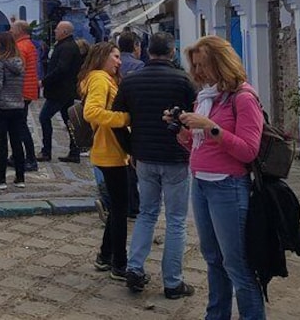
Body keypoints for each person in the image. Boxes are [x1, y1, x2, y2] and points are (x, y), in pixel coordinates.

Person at [174, 35, 265, 319]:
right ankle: (216, 315)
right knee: (212, 258)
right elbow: (199, 144)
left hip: (228, 186)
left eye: (203, 65)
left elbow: (248, 151)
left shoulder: (244, 98)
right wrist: (185, 134)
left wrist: (211, 127)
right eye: (196, 65)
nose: (198, 72)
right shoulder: (207, 97)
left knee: (236, 263)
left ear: (221, 63)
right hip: (201, 183)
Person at [112, 32, 197, 298]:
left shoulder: (131, 81)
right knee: (175, 220)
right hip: (175, 157)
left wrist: (130, 148)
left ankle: (135, 268)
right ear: (172, 52)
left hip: (144, 157)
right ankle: (172, 282)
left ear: (147, 51)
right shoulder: (183, 80)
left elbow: (116, 119)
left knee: (147, 214)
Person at [79, 41, 131, 280]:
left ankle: (105, 255)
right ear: (102, 57)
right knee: (120, 209)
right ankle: (119, 264)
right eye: (116, 57)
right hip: (109, 150)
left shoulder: (101, 78)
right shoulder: (100, 78)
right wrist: (124, 118)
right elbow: (91, 112)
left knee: (118, 208)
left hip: (110, 150)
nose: (119, 62)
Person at [0, 31, 26, 189]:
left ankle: (0, 178)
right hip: (18, 106)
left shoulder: (0, 62)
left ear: (1, 45)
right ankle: (20, 177)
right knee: (17, 142)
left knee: (1, 143)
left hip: (2, 107)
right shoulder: (20, 61)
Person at [38, 21, 83, 162]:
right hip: (65, 91)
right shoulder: (65, 46)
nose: (55, 32)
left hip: (60, 91)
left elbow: (61, 69)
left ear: (65, 32)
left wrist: (44, 81)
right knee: (68, 120)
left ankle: (46, 151)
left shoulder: (67, 47)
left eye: (57, 29)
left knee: (44, 117)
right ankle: (74, 151)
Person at [7, 21, 39, 172]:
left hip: (21, 91)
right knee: (19, 124)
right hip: (28, 89)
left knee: (21, 126)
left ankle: (30, 159)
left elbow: (18, 69)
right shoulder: (29, 44)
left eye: (12, 28)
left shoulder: (20, 47)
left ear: (19, 30)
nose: (10, 31)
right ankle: (17, 155)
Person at [118, 30, 144, 219]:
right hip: (134, 118)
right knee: (132, 163)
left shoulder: (115, 65)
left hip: (117, 117)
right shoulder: (139, 66)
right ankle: (133, 204)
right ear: (135, 46)